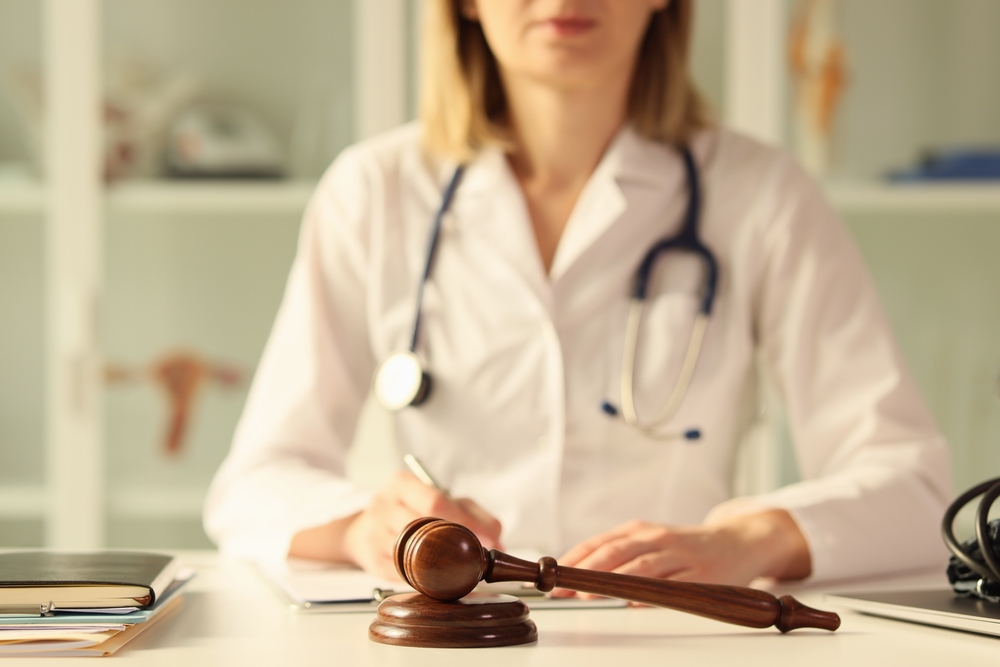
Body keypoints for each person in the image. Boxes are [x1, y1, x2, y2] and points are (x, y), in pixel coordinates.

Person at [204, 0, 952, 587]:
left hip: (670, 635)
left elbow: (914, 486)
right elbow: (254, 485)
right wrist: (361, 526)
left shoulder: (761, 195)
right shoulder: (374, 192)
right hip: (454, 634)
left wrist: (749, 538)